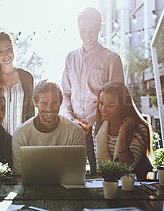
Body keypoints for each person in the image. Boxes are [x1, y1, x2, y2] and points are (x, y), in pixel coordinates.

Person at [60, 7, 124, 174]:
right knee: (72, 176)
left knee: (102, 176)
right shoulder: (70, 58)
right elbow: (65, 94)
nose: (87, 35)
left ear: (100, 28)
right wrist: (71, 119)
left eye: (92, 30)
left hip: (101, 128)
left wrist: (90, 120)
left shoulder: (112, 59)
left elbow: (117, 99)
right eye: (83, 30)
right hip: (73, 129)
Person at [12, 80, 86, 174]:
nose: (49, 109)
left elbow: (79, 173)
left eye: (54, 103)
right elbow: (19, 176)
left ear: (61, 102)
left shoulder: (75, 132)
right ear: (35, 103)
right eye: (44, 103)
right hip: (31, 188)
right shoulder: (20, 134)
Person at [95, 81, 153, 180]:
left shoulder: (140, 129)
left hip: (135, 187)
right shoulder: (98, 126)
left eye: (110, 105)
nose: (103, 109)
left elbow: (128, 167)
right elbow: (99, 165)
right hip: (107, 184)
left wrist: (123, 131)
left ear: (122, 105)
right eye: (101, 103)